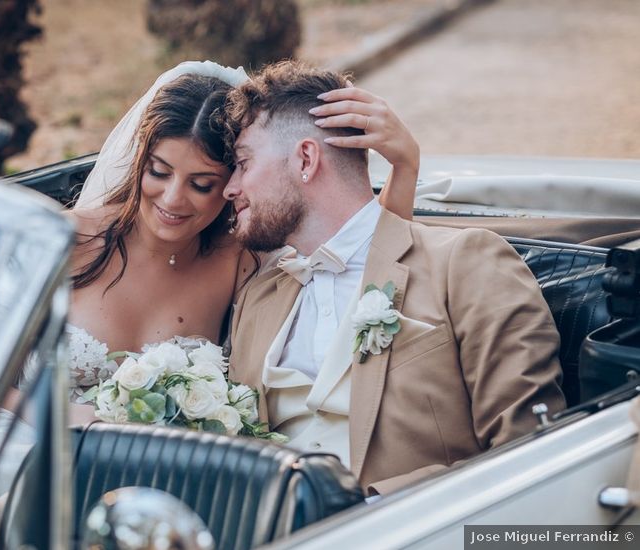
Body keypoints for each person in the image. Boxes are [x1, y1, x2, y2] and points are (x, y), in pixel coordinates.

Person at [222, 60, 566, 495]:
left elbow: (530, 451)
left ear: (306, 159)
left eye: (242, 164)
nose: (229, 188)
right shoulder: (258, 295)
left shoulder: (463, 262)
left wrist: (369, 513)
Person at [63, 61, 420, 412]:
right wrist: (66, 422)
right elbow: (4, 376)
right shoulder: (66, 240)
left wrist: (404, 166)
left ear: (232, 186)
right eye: (159, 172)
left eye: (202, 185)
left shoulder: (240, 259)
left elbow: (362, 256)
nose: (172, 199)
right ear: (139, 161)